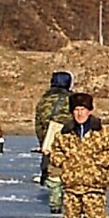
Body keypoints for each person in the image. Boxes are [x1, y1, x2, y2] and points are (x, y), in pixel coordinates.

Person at [34, 71, 73, 202]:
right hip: (68, 142)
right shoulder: (72, 100)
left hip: (48, 140)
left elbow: (38, 124)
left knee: (49, 167)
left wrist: (43, 142)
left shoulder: (43, 101)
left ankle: (50, 190)